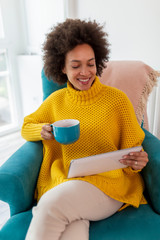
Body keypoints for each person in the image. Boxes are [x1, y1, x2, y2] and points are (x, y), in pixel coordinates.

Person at [22, 19, 148, 240]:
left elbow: (134, 151)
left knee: (50, 206)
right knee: (72, 228)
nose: (85, 72)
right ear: (62, 66)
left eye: (90, 63)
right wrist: (41, 130)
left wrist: (138, 162)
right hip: (67, 183)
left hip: (108, 186)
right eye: (75, 65)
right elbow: (26, 126)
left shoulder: (117, 100)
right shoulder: (55, 101)